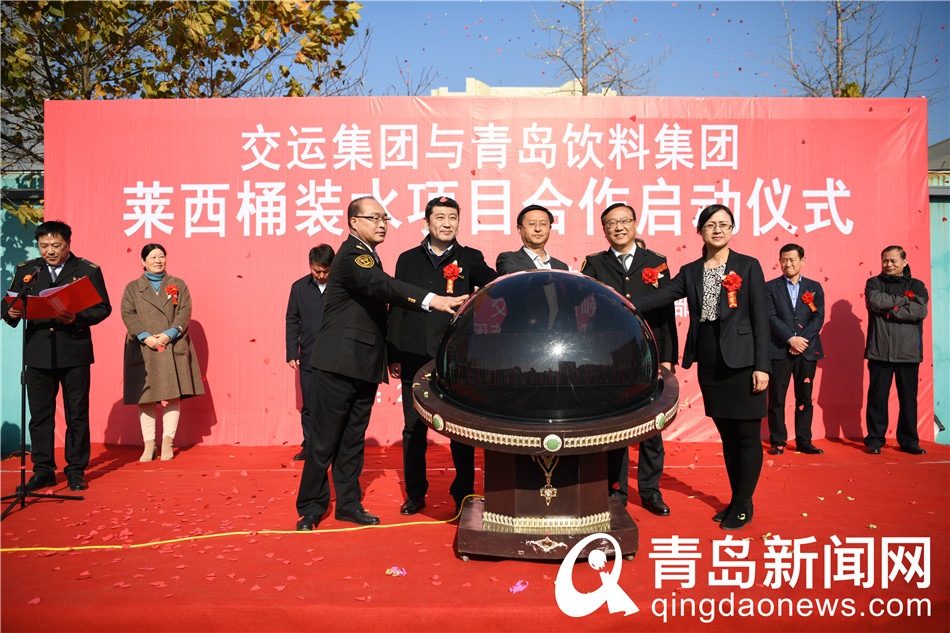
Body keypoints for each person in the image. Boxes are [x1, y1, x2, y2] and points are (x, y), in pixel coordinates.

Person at [295, 197, 467, 531]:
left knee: (352, 440)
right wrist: (433, 299)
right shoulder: (352, 255)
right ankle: (311, 507)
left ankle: (348, 504)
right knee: (324, 440)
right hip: (339, 362)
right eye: (374, 218)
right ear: (354, 222)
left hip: (363, 364)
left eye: (385, 218)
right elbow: (383, 285)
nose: (382, 224)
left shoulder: (370, 256)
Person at [631, 205, 770, 530]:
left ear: (732, 229)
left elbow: (760, 318)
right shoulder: (691, 271)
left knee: (747, 436)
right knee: (727, 436)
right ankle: (737, 499)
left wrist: (762, 366)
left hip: (744, 362)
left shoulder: (748, 266)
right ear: (701, 231)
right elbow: (662, 296)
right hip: (710, 362)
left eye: (724, 224)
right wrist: (622, 301)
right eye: (710, 225)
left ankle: (743, 503)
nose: (717, 230)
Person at [388, 197, 497, 516]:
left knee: (460, 429)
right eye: (440, 217)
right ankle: (415, 493)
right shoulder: (407, 259)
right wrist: (394, 351)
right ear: (426, 223)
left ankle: (463, 492)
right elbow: (397, 305)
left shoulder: (470, 257)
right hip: (413, 354)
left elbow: (489, 283)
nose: (447, 223)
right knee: (413, 428)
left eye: (453, 217)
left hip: (455, 357)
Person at [580, 203, 678, 517]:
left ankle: (650, 491)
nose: (619, 227)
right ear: (604, 229)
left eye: (624, 221)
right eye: (611, 223)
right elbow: (585, 309)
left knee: (651, 427)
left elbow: (666, 315)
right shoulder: (594, 264)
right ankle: (615, 491)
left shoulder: (656, 262)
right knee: (615, 426)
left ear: (635, 224)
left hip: (648, 355)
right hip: (609, 357)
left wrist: (667, 358)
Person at [3, 220, 112, 492]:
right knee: (40, 416)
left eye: (55, 245)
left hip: (74, 352)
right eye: (44, 246)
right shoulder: (28, 271)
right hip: (38, 353)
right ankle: (43, 471)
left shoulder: (86, 270)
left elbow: (103, 308)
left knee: (77, 414)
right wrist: (10, 312)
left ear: (68, 244)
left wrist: (77, 317)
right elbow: (10, 303)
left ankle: (75, 470)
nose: (50, 251)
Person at [120, 244, 204, 461]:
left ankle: (168, 442)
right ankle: (149, 445)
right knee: (145, 397)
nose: (158, 260)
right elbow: (128, 314)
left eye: (162, 256)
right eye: (153, 257)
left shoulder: (178, 284)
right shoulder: (133, 288)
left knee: (172, 394)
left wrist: (169, 334)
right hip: (143, 346)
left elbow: (184, 311)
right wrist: (145, 336)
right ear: (143, 261)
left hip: (171, 344)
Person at [863, 246, 929, 455]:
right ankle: (875, 440)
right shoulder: (874, 283)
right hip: (879, 351)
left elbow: (919, 311)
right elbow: (875, 301)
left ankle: (909, 441)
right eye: (885, 261)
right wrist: (903, 300)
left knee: (908, 399)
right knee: (877, 399)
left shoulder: (917, 285)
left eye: (893, 260)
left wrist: (891, 312)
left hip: (908, 353)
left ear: (904, 262)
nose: (889, 264)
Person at [765, 244, 825, 455]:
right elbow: (770, 316)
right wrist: (790, 339)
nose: (787, 264)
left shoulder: (814, 287)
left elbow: (818, 317)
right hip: (779, 349)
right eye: (784, 260)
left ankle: (804, 440)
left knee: (804, 397)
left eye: (792, 260)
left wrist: (801, 342)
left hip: (807, 351)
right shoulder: (770, 287)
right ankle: (778, 441)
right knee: (777, 398)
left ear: (802, 261)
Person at [286, 244, 335, 461]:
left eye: (326, 271)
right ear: (310, 266)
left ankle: (334, 446)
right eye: (317, 271)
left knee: (334, 405)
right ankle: (309, 445)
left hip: (336, 358)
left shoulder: (341, 287)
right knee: (310, 404)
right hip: (309, 356)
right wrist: (292, 352)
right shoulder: (299, 288)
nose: (322, 275)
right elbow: (292, 321)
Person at [495, 205, 569, 274]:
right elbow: (517, 277)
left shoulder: (561, 267)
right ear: (519, 229)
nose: (538, 229)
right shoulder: (508, 259)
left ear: (549, 228)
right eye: (532, 224)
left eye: (543, 224)